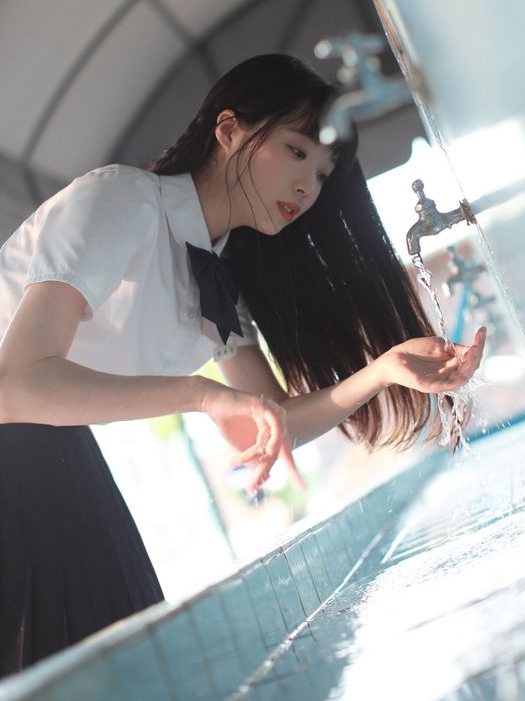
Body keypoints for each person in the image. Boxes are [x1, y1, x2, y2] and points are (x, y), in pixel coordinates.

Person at [0, 53, 485, 675]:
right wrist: (203, 395)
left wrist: (384, 370)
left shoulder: (221, 276)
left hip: (55, 451)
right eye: (296, 151)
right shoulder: (121, 200)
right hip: (25, 443)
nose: (309, 185)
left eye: (323, 169)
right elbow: (16, 383)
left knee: (125, 665)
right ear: (227, 131)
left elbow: (268, 419)